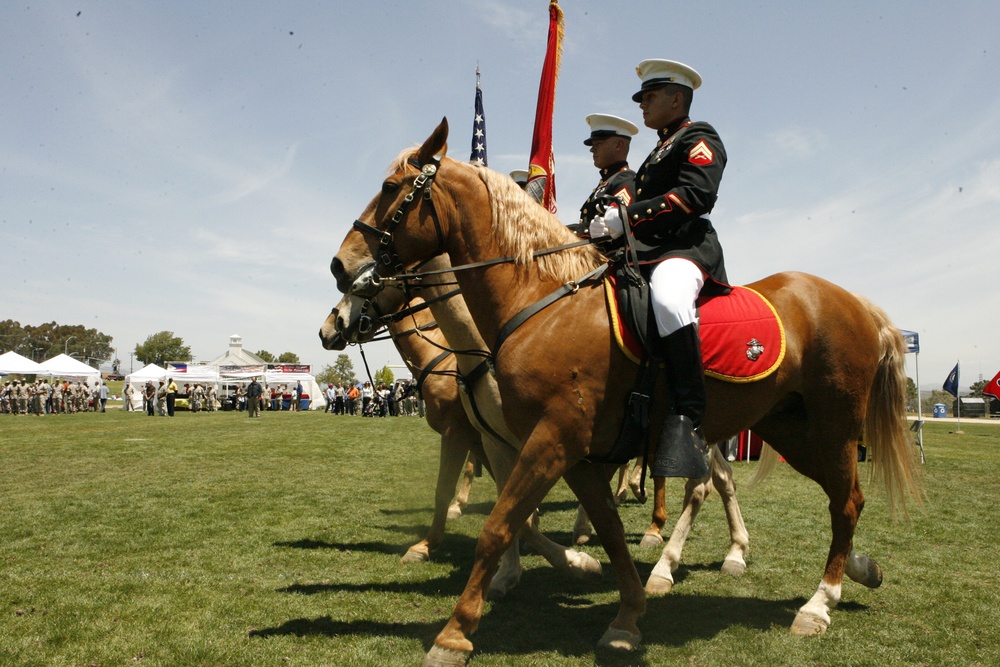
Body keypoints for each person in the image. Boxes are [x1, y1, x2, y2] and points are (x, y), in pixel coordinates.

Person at [589, 59, 730, 479]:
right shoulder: (659, 150)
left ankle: (689, 416)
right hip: (646, 252)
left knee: (669, 298)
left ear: (677, 98)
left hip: (685, 248)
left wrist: (626, 217)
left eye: (650, 97)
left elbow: (695, 195)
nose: (643, 105)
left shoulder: (700, 137)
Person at [575, 113, 638, 237]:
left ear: (618, 145)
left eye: (598, 144)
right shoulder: (607, 181)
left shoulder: (625, 179)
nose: (592, 149)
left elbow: (615, 223)